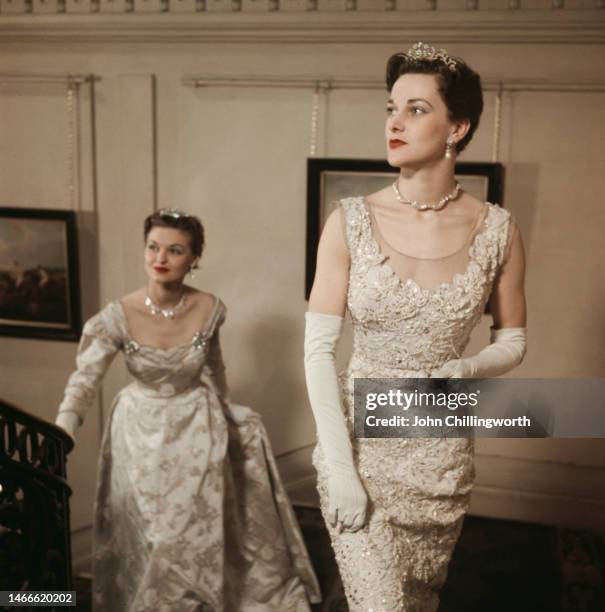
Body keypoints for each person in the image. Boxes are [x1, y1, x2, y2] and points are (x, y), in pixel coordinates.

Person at [304, 43, 527, 611]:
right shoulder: (349, 220)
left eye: (416, 109)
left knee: (418, 602)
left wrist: (469, 367)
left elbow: (513, 342)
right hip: (358, 453)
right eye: (390, 108)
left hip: (441, 457)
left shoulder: (497, 229)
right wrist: (339, 469)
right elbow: (318, 352)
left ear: (458, 127)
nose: (395, 122)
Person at [56, 208, 320, 612]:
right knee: (154, 537)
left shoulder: (209, 309)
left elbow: (213, 367)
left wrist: (229, 411)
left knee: (190, 535)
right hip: (138, 432)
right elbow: (85, 378)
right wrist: (64, 426)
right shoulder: (118, 316)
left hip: (196, 428)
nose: (160, 258)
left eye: (175, 250)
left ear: (194, 258)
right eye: (153, 247)